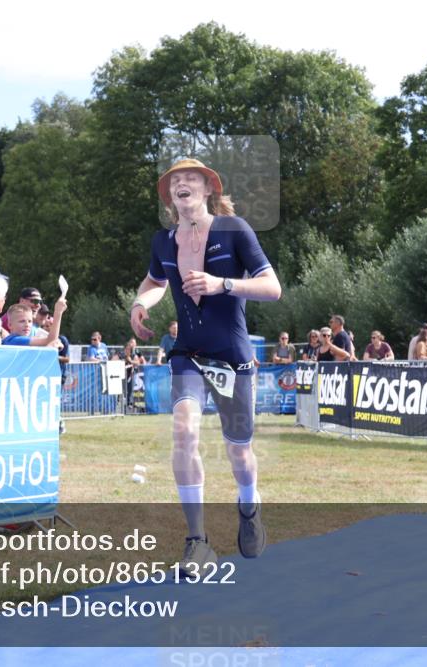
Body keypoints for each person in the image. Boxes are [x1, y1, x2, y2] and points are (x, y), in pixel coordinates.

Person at [128, 158, 282, 570]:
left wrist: (222, 285)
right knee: (183, 430)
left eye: (190, 178)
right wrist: (141, 302)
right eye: (175, 180)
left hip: (231, 355)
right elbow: (155, 281)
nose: (182, 183)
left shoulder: (234, 230)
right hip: (188, 353)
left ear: (208, 188)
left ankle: (249, 506)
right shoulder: (163, 240)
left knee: (239, 453)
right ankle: (197, 541)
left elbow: (273, 287)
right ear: (169, 196)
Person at [2, 300, 68, 348]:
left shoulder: (20, 341)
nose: (27, 325)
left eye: (30, 321)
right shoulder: (15, 340)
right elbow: (51, 340)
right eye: (22, 321)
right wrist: (58, 312)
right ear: (10, 325)